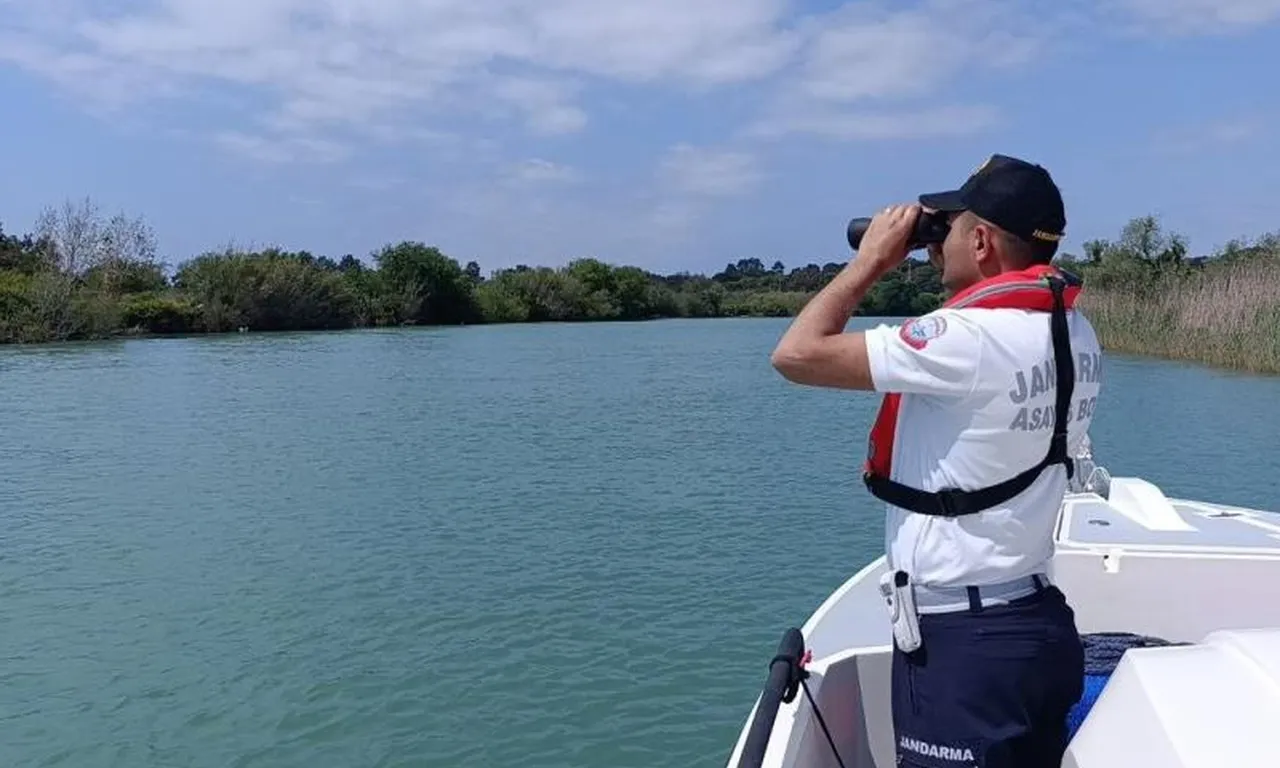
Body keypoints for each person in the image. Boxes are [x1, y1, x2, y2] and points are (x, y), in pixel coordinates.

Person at [770, 154, 1103, 767]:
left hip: (965, 647)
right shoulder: (1075, 332)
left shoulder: (966, 340)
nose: (935, 244)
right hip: (1035, 625)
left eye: (946, 229)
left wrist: (872, 261)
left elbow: (795, 354)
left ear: (980, 242)